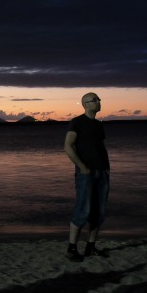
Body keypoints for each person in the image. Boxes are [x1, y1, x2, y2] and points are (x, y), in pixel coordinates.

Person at [63, 92, 110, 262]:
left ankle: (91, 247)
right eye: (95, 100)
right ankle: (72, 248)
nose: (99, 101)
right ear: (86, 104)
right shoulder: (77, 122)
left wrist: (107, 169)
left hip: (102, 172)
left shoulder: (98, 125)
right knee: (83, 209)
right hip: (86, 173)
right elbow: (68, 146)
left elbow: (101, 147)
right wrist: (82, 167)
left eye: (99, 99)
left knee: (99, 211)